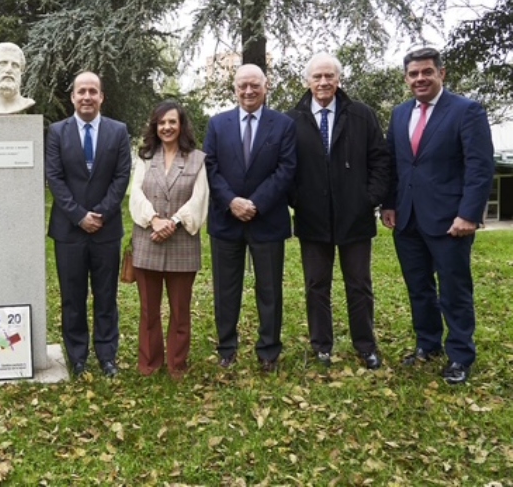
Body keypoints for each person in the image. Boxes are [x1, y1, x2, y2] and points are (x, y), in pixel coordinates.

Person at [381, 47, 494, 385]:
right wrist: (389, 204)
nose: (420, 78)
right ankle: (427, 344)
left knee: (454, 290)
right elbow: (393, 164)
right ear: (406, 78)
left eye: (426, 72)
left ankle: (460, 355)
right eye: (413, 74)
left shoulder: (466, 111)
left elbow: (479, 166)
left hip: (450, 221)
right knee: (419, 287)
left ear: (441, 74)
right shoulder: (400, 114)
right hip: (408, 219)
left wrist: (469, 214)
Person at [287, 53, 390, 370]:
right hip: (312, 217)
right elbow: (285, 168)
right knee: (316, 284)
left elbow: (380, 161)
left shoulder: (362, 115)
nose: (323, 82)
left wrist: (368, 198)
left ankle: (365, 345)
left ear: (338, 79)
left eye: (329, 76)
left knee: (359, 284)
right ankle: (322, 346)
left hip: (355, 217)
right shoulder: (291, 120)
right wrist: (298, 199)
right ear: (307, 81)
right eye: (317, 77)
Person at [203, 64, 296, 372]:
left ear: (266, 86)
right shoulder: (217, 124)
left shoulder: (283, 124)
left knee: (269, 290)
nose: (248, 91)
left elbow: (286, 169)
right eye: (242, 85)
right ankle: (226, 348)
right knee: (225, 290)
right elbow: (210, 168)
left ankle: (268, 351)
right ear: (234, 89)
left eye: (254, 85)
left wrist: (255, 203)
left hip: (266, 219)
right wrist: (231, 202)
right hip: (225, 220)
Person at [46, 71, 131, 378]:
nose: (86, 97)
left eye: (92, 91)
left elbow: (122, 177)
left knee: (106, 296)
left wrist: (101, 214)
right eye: (81, 91)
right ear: (73, 97)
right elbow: (54, 177)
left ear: (101, 97)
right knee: (73, 296)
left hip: (106, 230)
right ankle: (77, 356)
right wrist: (79, 216)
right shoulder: (57, 131)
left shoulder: (118, 131)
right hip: (68, 230)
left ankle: (107, 355)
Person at [128, 100, 208, 379]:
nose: (167, 127)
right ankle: (149, 363)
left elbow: (200, 199)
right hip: (147, 238)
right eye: (162, 122)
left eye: (172, 122)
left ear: (181, 125)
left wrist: (172, 222)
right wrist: (154, 220)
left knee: (180, 310)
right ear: (155, 126)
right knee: (149, 309)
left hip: (182, 242)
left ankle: (177, 364)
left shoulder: (198, 159)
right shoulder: (145, 157)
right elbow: (135, 194)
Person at [0, 42, 35, 115]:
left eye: (15, 65)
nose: (9, 70)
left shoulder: (27, 104)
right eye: (2, 63)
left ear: (21, 72)